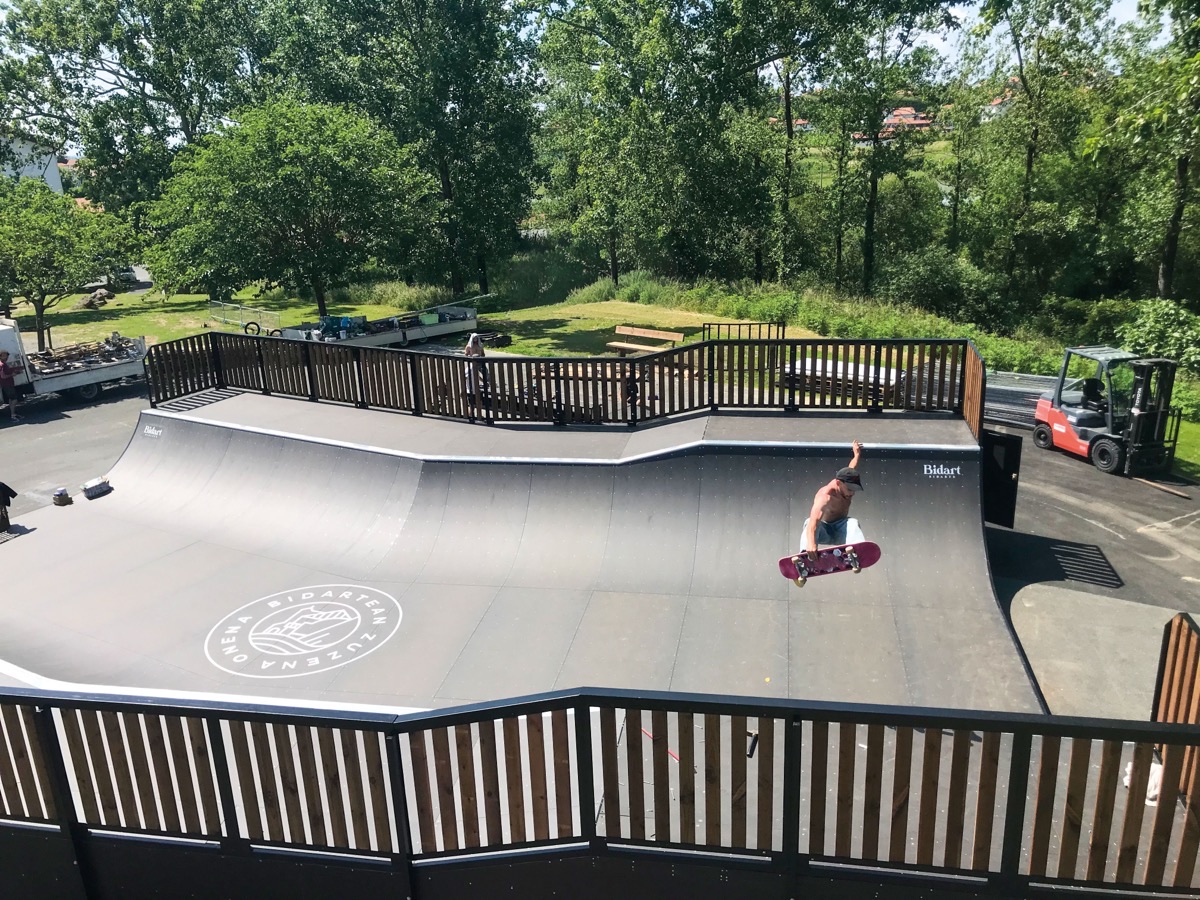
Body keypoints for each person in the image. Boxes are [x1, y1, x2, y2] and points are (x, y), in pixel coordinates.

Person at [801, 440, 865, 559]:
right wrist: (811, 543)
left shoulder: (846, 477)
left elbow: (852, 466)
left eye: (854, 490)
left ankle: (857, 552)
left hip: (841, 530)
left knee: (853, 523)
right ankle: (805, 556)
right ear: (838, 483)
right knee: (808, 522)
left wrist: (856, 454)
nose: (852, 493)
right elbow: (814, 522)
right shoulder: (825, 496)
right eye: (849, 489)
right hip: (824, 531)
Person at [463, 333, 489, 421]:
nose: (475, 340)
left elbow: (483, 354)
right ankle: (472, 415)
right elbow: (465, 354)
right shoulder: (469, 347)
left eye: (476, 338)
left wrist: (484, 381)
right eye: (474, 338)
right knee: (474, 403)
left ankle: (475, 415)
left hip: (480, 362)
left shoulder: (480, 346)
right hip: (472, 389)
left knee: (485, 372)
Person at [0, 350, 21, 422]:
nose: (6, 357)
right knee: (14, 399)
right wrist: (12, 375)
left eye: (7, 355)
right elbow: (2, 376)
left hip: (8, 384)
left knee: (11, 399)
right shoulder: (2, 365)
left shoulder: (3, 364)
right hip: (7, 385)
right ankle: (13, 414)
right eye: (4, 355)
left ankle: (13, 413)